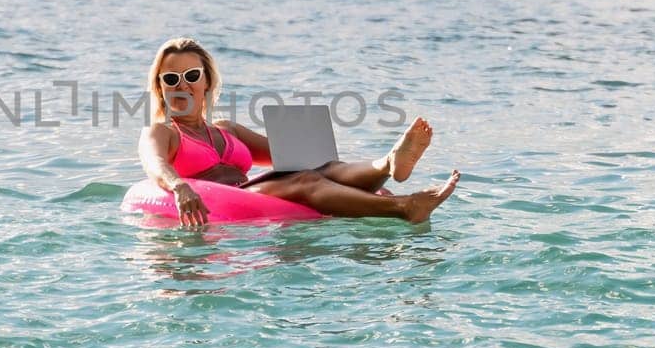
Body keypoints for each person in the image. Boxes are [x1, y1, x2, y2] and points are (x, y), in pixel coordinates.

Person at [136, 37, 461, 227]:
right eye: (171, 79)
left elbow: (301, 159)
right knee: (306, 180)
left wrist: (362, 181)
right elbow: (156, 165)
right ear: (160, 88)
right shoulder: (163, 133)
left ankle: (387, 164)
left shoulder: (227, 129)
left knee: (319, 168)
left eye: (191, 75)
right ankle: (405, 207)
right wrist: (179, 187)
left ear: (207, 81)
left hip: (257, 190)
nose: (182, 85)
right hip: (231, 203)